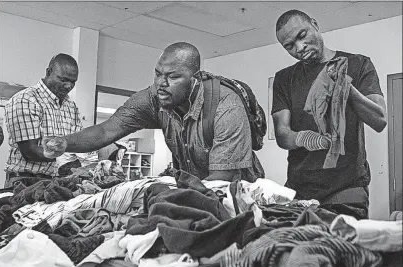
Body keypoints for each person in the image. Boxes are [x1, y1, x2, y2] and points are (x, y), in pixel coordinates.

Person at [42, 42, 263, 183]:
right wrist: (64, 143)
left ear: (195, 80)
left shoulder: (226, 105)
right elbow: (106, 131)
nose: (161, 84)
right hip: (197, 188)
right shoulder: (153, 97)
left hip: (237, 194)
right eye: (158, 74)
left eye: (173, 77)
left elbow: (224, 178)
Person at [272, 10, 386, 215]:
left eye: (302, 35)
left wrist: (346, 88)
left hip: (347, 188)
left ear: (315, 24)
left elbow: (380, 120)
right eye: (289, 46)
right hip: (300, 190)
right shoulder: (284, 79)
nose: (299, 48)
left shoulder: (358, 64)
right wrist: (304, 138)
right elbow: (282, 134)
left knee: (342, 246)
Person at [4, 53, 83, 187]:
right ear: (48, 72)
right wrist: (65, 158)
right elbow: (30, 151)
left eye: (73, 81)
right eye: (63, 79)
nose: (68, 86)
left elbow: (78, 141)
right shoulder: (26, 100)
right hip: (25, 181)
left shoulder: (71, 105)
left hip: (57, 181)